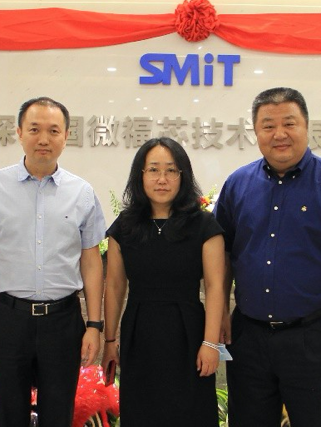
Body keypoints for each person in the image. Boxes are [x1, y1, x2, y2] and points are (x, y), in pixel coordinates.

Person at [214, 87, 321, 427]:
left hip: (313, 338)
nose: (279, 134)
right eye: (268, 125)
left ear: (306, 126)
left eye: (289, 123)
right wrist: (219, 313)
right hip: (249, 336)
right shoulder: (238, 184)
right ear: (256, 131)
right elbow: (223, 252)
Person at [0, 97, 106, 427]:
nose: (44, 139)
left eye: (53, 131)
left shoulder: (82, 192)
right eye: (34, 129)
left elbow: (91, 262)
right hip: (7, 320)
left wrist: (94, 325)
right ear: (19, 132)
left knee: (59, 415)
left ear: (66, 136)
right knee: (8, 414)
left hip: (63, 321)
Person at [101, 137, 226, 426]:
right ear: (140, 175)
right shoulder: (125, 226)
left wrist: (210, 343)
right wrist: (109, 341)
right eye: (153, 170)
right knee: (142, 412)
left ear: (183, 175)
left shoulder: (203, 225)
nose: (162, 179)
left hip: (189, 332)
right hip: (139, 331)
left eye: (171, 170)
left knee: (191, 413)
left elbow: (215, 287)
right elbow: (115, 286)